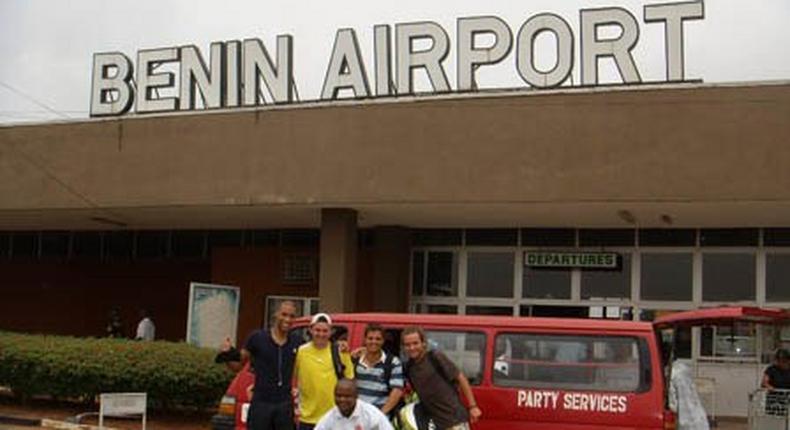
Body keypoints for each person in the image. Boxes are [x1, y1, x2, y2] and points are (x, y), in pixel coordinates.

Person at [219, 300, 301, 430]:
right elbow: (238, 365)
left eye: (291, 316)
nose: (288, 319)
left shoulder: (297, 341)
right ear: (275, 315)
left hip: (285, 406)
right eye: (284, 314)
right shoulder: (257, 338)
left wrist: (338, 347)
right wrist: (226, 355)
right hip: (261, 404)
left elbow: (317, 351)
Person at [401, 326, 481, 430]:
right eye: (407, 345)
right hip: (433, 424)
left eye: (415, 343)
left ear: (423, 343)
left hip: (454, 420)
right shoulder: (409, 368)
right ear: (403, 347)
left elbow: (461, 378)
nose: (412, 348)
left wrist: (473, 406)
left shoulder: (435, 357)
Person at [294, 313, 354, 430]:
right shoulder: (301, 352)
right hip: (307, 417)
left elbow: (350, 380)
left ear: (331, 332)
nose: (321, 334)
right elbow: (291, 376)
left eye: (325, 331)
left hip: (334, 416)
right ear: (310, 330)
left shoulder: (340, 351)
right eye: (317, 330)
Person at [354, 324, 404, 417]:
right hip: (357, 416)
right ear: (364, 340)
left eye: (378, 339)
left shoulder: (392, 362)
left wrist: (380, 415)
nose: (374, 342)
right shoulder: (355, 360)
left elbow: (397, 391)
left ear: (383, 341)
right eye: (370, 338)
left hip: (380, 417)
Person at [314, 379, 393, 430]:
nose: (342, 399)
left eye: (347, 396)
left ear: (356, 396)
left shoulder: (371, 414)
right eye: (339, 396)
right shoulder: (329, 418)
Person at [669, 360, 709, 430]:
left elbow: (673, 406)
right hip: (699, 419)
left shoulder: (675, 378)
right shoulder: (686, 376)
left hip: (686, 422)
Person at [762, 348, 790, 415]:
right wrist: (770, 387)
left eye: (784, 361)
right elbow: (764, 382)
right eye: (779, 360)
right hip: (773, 398)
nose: (781, 363)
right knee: (772, 418)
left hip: (787, 398)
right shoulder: (771, 369)